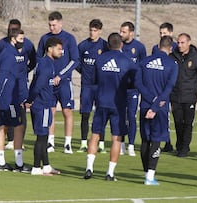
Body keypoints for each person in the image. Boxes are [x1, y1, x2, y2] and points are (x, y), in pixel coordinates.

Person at [83, 32, 137, 181]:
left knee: (95, 135)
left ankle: (89, 168)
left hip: (101, 102)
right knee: (116, 138)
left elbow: (94, 80)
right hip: (118, 105)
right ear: (121, 44)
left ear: (108, 44)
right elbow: (133, 83)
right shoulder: (127, 62)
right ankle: (110, 173)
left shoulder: (100, 60)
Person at [137, 35, 178, 185]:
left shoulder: (145, 62)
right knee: (156, 139)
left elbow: (138, 83)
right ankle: (150, 176)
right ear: (171, 48)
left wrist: (149, 99)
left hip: (145, 105)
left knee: (145, 139)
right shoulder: (172, 64)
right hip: (159, 107)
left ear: (158, 46)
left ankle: (146, 172)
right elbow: (169, 88)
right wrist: (156, 104)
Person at [37, 11, 80, 154]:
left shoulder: (69, 38)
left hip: (64, 81)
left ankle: (67, 143)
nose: (52, 28)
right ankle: (50, 142)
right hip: (49, 83)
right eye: (50, 25)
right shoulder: (45, 39)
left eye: (54, 25)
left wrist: (61, 75)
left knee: (67, 110)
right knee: (51, 111)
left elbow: (75, 60)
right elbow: (39, 59)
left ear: (60, 23)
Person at [0, 28, 30, 172]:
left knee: (4, 127)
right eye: (20, 39)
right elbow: (1, 76)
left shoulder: (17, 53)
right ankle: (18, 164)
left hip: (12, 96)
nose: (22, 42)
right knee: (16, 127)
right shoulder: (8, 54)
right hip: (10, 97)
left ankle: (2, 162)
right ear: (13, 39)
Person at [0, 19, 36, 151]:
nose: (10, 31)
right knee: (7, 113)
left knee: (21, 112)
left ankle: (20, 141)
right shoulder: (2, 44)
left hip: (21, 84)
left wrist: (24, 71)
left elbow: (33, 61)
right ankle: (11, 140)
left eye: (14, 28)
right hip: (7, 85)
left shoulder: (27, 44)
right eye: (9, 28)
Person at [27, 37, 62, 176]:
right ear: (50, 49)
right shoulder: (46, 65)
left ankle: (46, 166)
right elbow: (38, 85)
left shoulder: (45, 63)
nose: (61, 52)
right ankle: (36, 167)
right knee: (41, 137)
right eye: (58, 49)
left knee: (45, 135)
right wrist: (30, 100)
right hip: (42, 104)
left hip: (42, 103)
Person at [170, 33, 197, 157]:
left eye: (182, 43)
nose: (179, 45)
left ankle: (185, 148)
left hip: (189, 96)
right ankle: (179, 146)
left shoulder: (196, 58)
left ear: (188, 43)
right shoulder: (172, 56)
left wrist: (191, 85)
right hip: (175, 96)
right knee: (178, 122)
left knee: (188, 123)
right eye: (178, 42)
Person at [77, 19, 108, 153]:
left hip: (101, 86)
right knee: (85, 114)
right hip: (87, 86)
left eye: (95, 31)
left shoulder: (105, 46)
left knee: (101, 114)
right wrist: (84, 72)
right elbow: (77, 62)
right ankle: (83, 142)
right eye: (91, 30)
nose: (92, 33)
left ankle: (101, 143)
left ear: (100, 31)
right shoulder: (83, 45)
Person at [119, 21, 147, 156]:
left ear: (131, 33)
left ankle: (131, 145)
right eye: (120, 31)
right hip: (120, 88)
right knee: (120, 116)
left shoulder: (139, 48)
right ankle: (121, 144)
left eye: (124, 32)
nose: (121, 34)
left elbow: (143, 68)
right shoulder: (118, 46)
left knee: (131, 116)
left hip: (133, 89)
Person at [151, 22, 177, 153]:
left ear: (171, 33)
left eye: (165, 33)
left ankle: (177, 142)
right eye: (160, 33)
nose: (162, 35)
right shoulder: (156, 48)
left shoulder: (177, 48)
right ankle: (165, 141)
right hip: (162, 87)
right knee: (162, 113)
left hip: (174, 86)